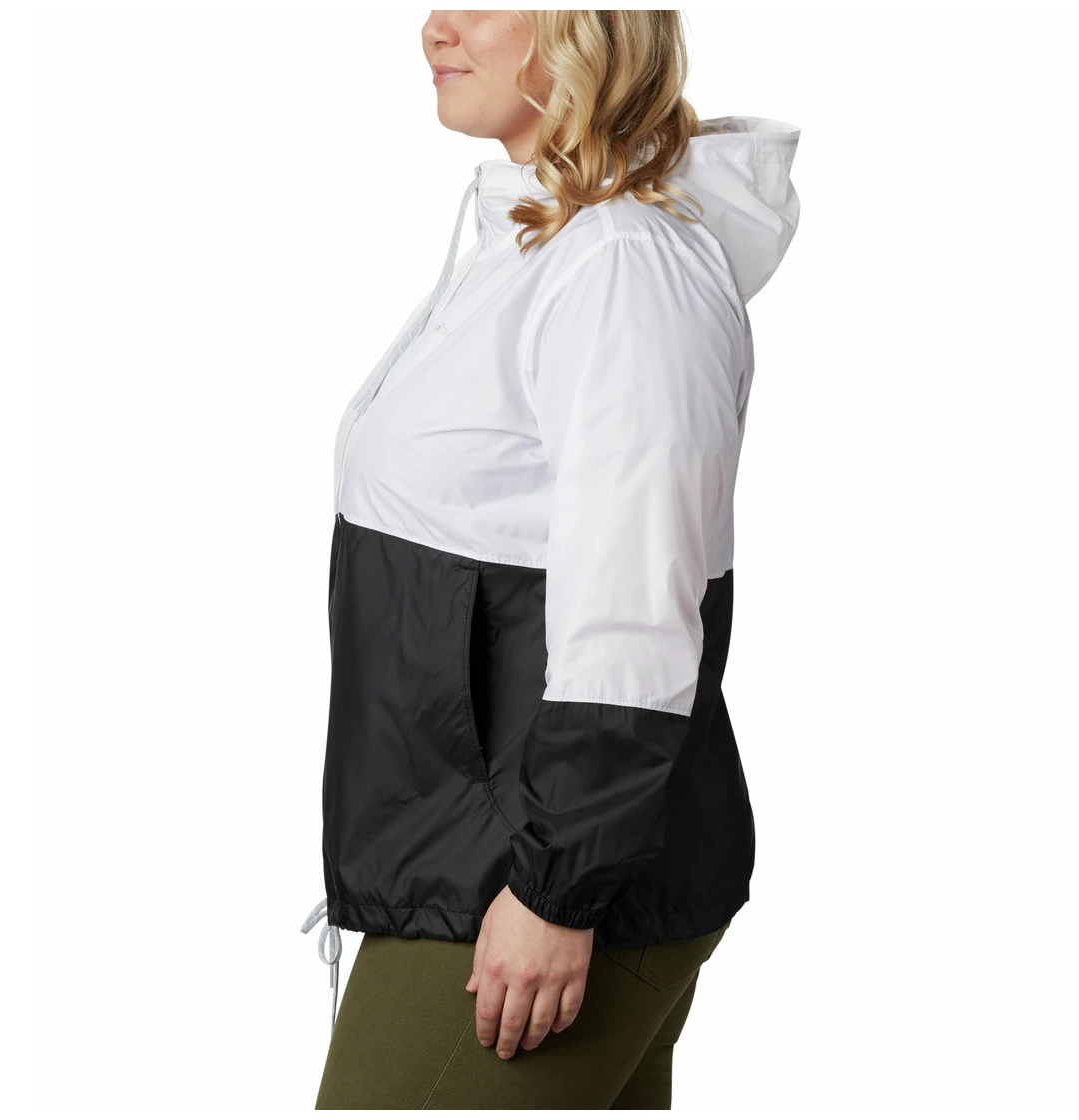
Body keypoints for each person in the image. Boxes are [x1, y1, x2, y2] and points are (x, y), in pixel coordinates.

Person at [301, 9, 800, 1109]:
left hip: (532, 877)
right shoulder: (545, 241)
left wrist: (555, 890)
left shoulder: (622, 265)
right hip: (489, 849)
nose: (435, 27)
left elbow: (635, 606)